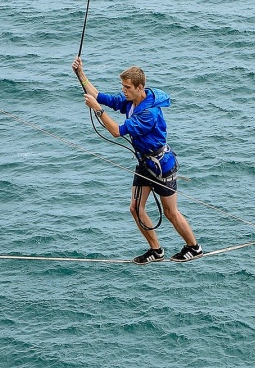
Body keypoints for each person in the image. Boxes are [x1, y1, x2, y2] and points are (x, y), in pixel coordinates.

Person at [72, 57, 203, 263]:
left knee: (170, 212)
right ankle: (156, 250)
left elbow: (116, 131)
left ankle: (194, 247)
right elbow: (101, 96)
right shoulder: (132, 100)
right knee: (135, 208)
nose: (123, 91)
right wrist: (81, 75)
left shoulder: (148, 114)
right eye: (123, 86)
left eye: (127, 87)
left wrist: (98, 109)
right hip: (144, 164)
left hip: (161, 167)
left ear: (139, 87)